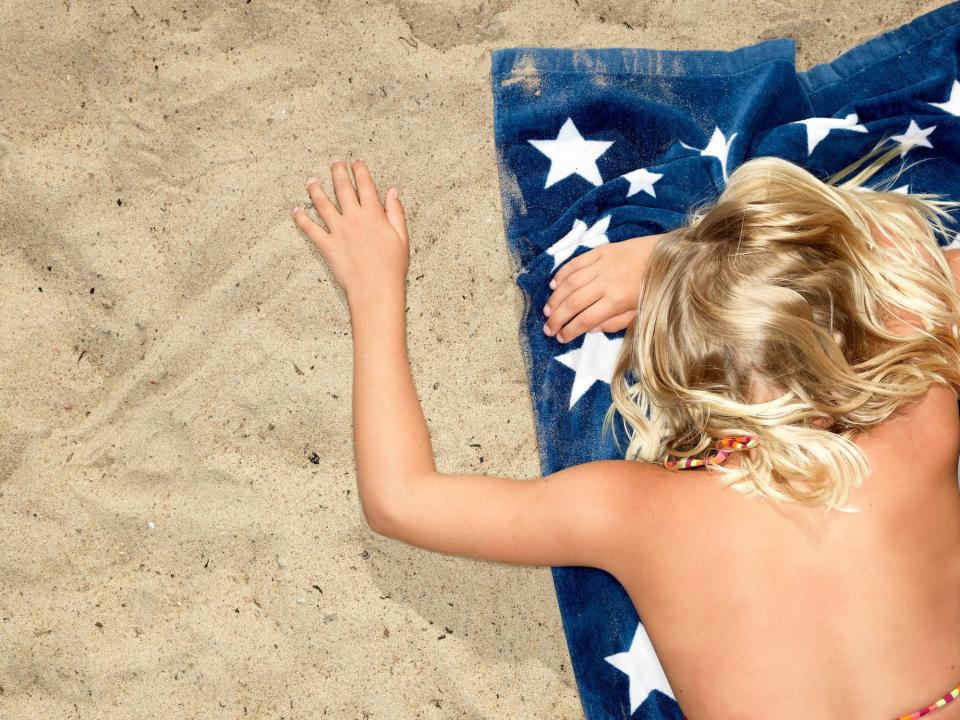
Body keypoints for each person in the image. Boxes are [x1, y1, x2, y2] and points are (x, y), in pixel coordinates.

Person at [291, 143, 960, 720]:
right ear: (848, 335)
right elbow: (909, 249)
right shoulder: (918, 434)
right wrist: (689, 262)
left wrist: (374, 289)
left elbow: (399, 498)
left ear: (671, 369)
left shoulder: (634, 512)